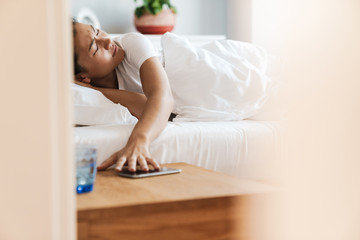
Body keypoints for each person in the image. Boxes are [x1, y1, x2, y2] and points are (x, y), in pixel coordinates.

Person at [72, 19, 174, 173]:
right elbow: (146, 107)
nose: (107, 41)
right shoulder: (89, 93)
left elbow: (163, 97)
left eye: (97, 31)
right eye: (95, 48)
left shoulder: (132, 42)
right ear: (81, 77)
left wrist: (140, 141)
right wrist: (93, 89)